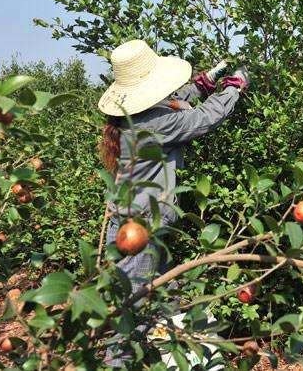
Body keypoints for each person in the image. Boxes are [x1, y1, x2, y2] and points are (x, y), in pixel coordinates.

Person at [97, 39, 248, 368]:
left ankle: (197, 359)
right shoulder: (157, 125)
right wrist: (234, 88)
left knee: (165, 298)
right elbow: (203, 118)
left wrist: (205, 82)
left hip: (137, 228)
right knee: (129, 321)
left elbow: (173, 104)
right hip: (139, 235)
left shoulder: (132, 117)